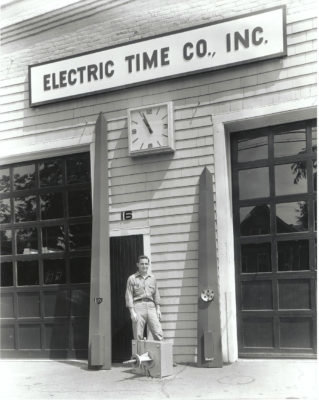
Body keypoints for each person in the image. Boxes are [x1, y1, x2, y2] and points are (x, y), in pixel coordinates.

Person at [125, 255, 163, 341]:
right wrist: (132, 312)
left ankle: (161, 353)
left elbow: (156, 294)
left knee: (158, 332)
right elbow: (129, 295)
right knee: (138, 334)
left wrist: (158, 309)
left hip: (151, 306)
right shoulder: (132, 278)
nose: (144, 266)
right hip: (138, 306)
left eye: (146, 264)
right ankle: (139, 354)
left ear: (148, 265)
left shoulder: (152, 278)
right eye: (142, 264)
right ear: (137, 264)